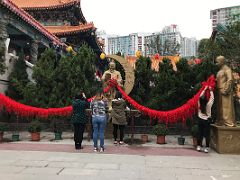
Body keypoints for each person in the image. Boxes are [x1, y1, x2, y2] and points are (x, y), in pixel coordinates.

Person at [215, 56, 236, 127]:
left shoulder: (227, 69)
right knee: (220, 108)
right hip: (219, 91)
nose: (216, 64)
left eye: (217, 62)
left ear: (222, 62)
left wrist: (226, 90)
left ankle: (228, 123)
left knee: (226, 108)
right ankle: (221, 121)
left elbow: (230, 80)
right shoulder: (220, 70)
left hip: (225, 91)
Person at [197, 86, 214, 153]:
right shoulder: (208, 105)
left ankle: (199, 146)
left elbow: (199, 97)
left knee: (200, 133)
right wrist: (211, 90)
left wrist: (204, 89)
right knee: (207, 134)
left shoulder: (199, 105)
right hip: (207, 120)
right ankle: (206, 148)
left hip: (200, 119)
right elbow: (212, 98)